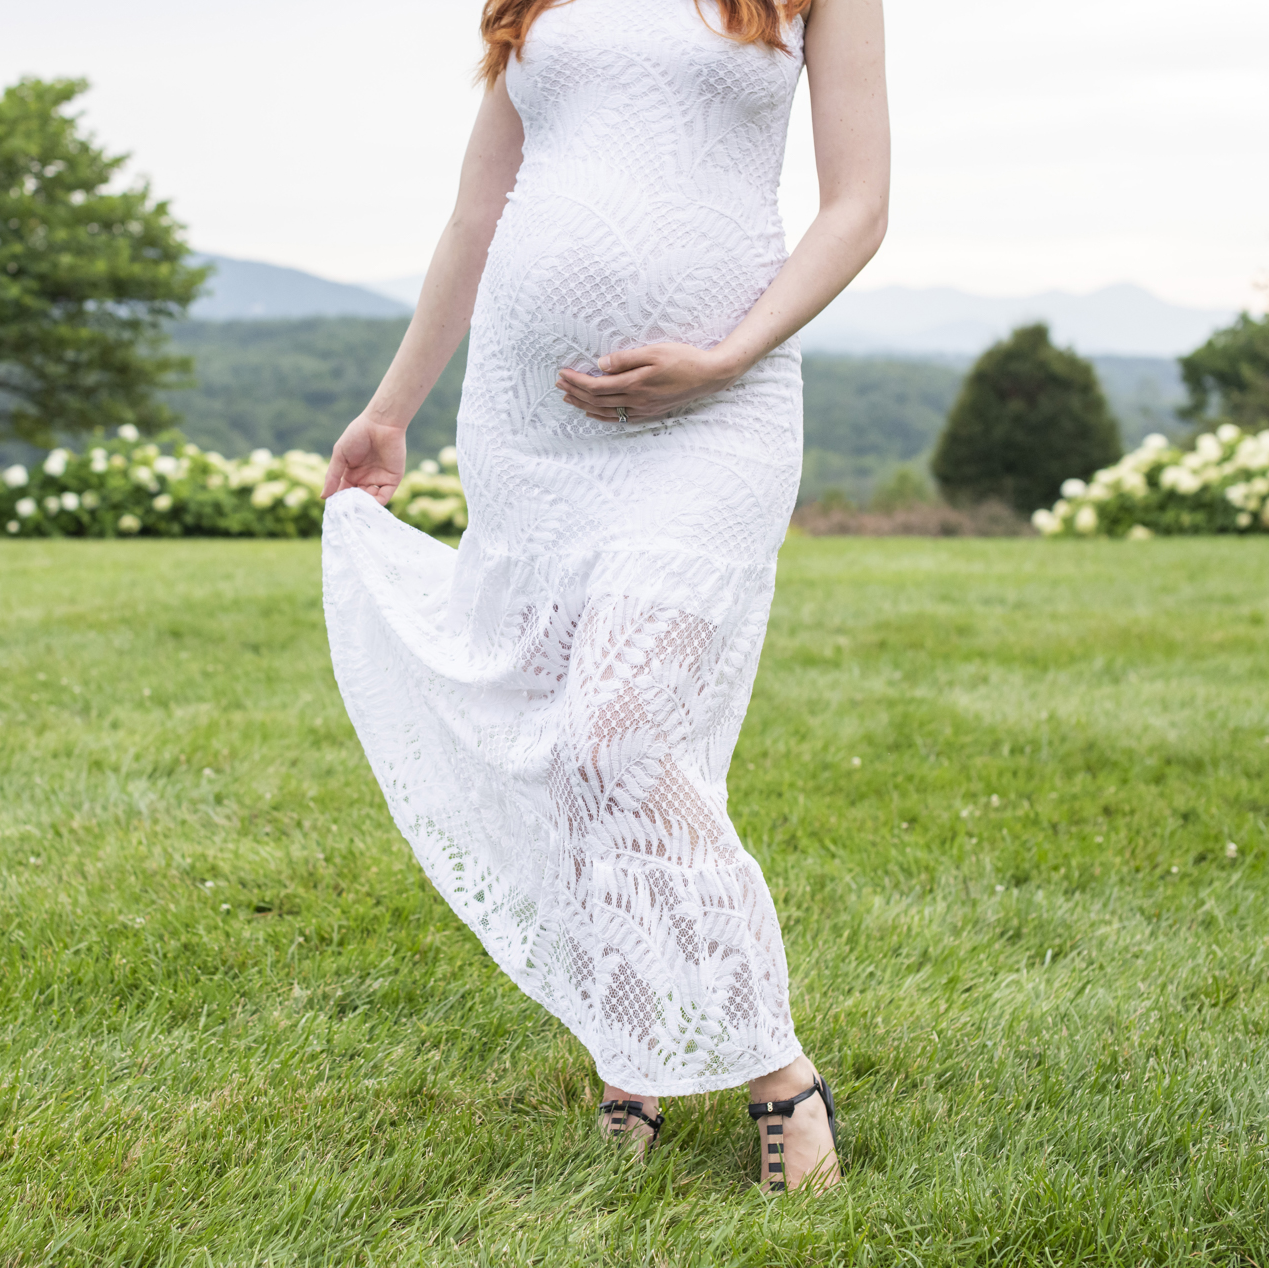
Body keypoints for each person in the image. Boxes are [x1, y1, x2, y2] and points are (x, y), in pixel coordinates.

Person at [319, 0, 887, 1193]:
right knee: (580, 751)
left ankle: (778, 1073)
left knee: (613, 731)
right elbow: (481, 210)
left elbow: (858, 205)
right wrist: (390, 408)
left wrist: (730, 353)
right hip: (530, 426)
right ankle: (635, 1048)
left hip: (718, 413)